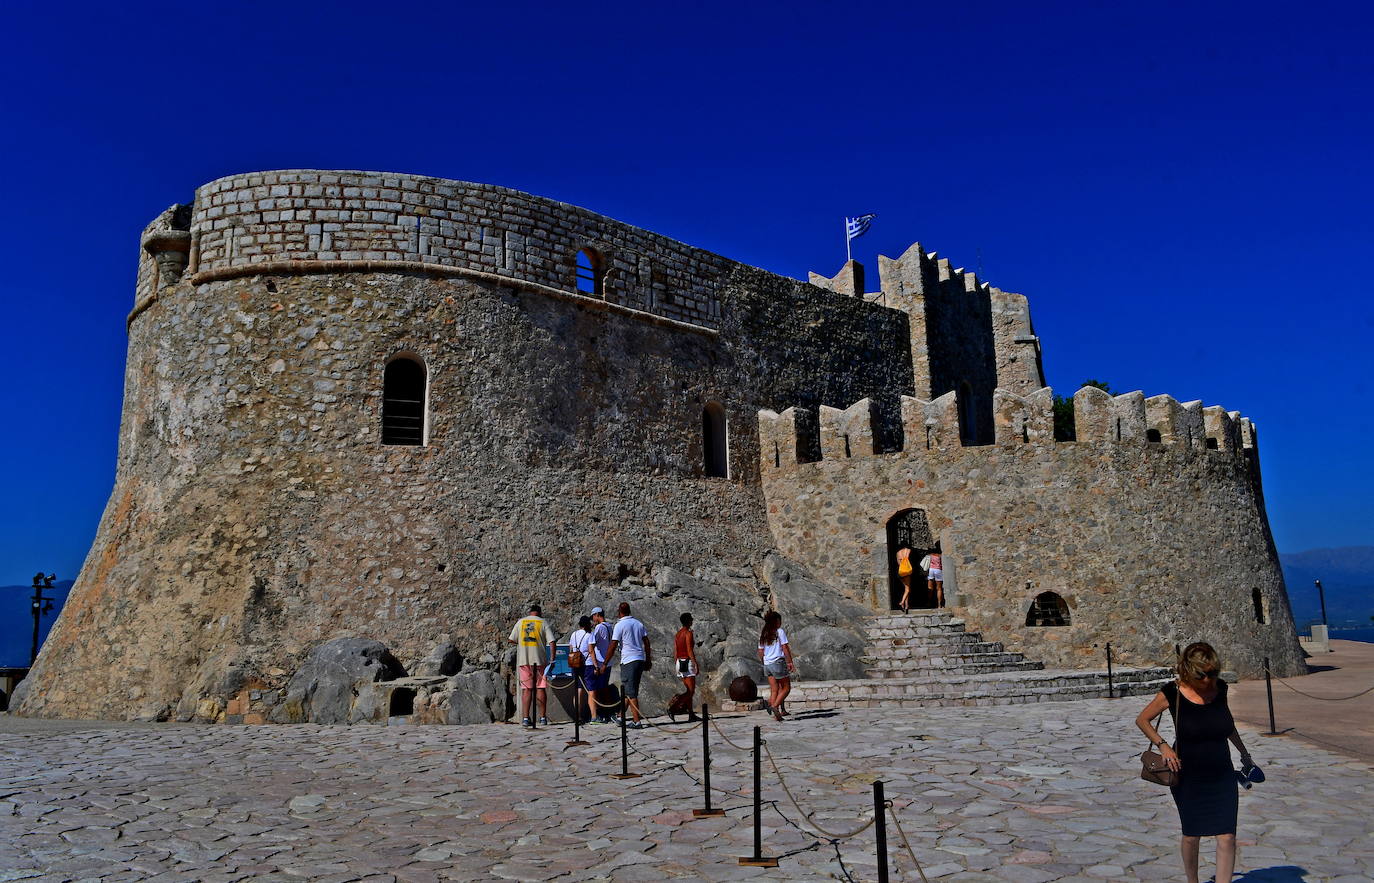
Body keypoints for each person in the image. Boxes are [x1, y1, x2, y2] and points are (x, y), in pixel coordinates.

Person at [1135, 642, 1255, 883]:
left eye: (1213, 673)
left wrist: (1244, 754)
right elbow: (1143, 720)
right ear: (1189, 670)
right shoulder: (1172, 692)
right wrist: (1163, 745)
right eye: (1204, 674)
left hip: (1221, 771)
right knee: (1192, 834)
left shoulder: (1220, 689)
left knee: (1227, 835)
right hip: (1186, 773)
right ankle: (1193, 881)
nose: (1209, 678)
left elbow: (1227, 726)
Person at [506, 603, 558, 728]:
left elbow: (511, 639)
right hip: (539, 660)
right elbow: (552, 642)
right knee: (541, 688)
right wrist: (552, 658)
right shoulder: (542, 622)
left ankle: (525, 718)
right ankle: (543, 717)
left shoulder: (521, 622)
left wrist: (522, 643)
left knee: (526, 689)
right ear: (540, 613)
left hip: (524, 660)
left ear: (530, 612)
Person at [606, 602, 651, 728]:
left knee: (631, 692)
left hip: (628, 660)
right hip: (639, 659)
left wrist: (605, 662)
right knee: (629, 689)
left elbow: (613, 645)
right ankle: (621, 717)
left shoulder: (620, 625)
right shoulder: (638, 623)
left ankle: (637, 721)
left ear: (619, 612)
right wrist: (648, 659)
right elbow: (647, 642)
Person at [757, 611, 794, 722]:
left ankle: (776, 713)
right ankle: (775, 706)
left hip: (767, 665)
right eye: (779, 620)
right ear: (776, 621)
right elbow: (785, 648)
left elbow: (760, 651)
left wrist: (765, 661)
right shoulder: (779, 632)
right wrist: (790, 662)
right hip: (777, 662)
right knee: (786, 688)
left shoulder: (764, 634)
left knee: (774, 690)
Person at [584, 607, 614, 724]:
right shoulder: (610, 626)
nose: (593, 620)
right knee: (604, 688)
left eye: (593, 617)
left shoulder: (599, 627)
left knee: (598, 689)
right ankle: (608, 712)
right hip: (608, 661)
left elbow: (591, 645)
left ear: (597, 615)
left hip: (600, 662)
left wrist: (595, 664)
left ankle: (602, 714)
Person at [673, 612, 701, 721]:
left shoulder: (678, 634)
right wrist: (695, 663)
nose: (692, 620)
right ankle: (675, 705)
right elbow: (689, 649)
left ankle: (691, 714)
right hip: (687, 661)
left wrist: (676, 662)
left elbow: (675, 650)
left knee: (688, 689)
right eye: (691, 619)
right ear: (688, 621)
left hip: (679, 661)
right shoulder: (688, 633)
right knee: (691, 691)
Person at [568, 615, 594, 724]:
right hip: (586, 664)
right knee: (590, 690)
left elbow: (570, 648)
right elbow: (591, 651)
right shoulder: (589, 635)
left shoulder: (573, 634)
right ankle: (592, 715)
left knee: (578, 690)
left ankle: (577, 716)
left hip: (575, 664)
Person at [896, 546, 915, 613]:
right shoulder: (908, 550)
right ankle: (902, 602)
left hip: (901, 572)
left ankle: (906, 606)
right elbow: (911, 560)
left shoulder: (898, 553)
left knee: (905, 589)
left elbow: (899, 563)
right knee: (908, 589)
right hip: (907, 572)